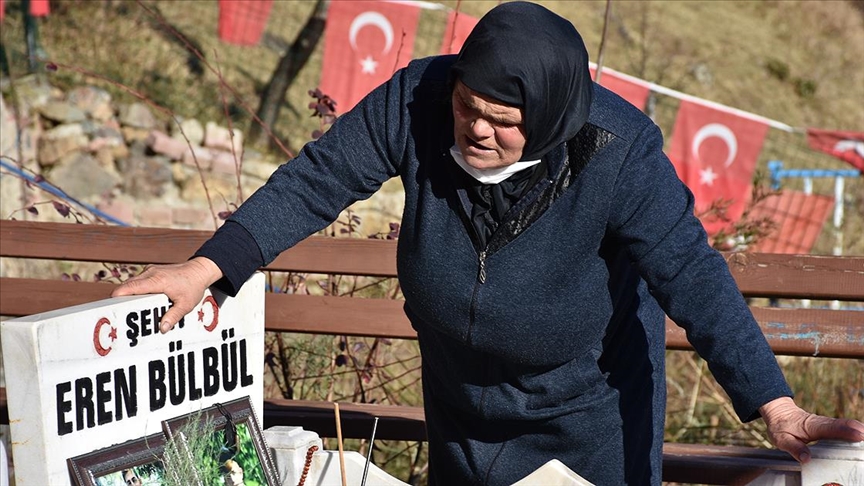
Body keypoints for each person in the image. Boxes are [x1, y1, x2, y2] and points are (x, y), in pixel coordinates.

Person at [114, 2, 864, 484]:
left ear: (552, 118)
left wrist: (775, 405)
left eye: (504, 122)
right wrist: (210, 266)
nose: (477, 129)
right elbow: (318, 180)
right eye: (468, 107)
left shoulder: (618, 152)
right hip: (461, 406)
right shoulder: (418, 98)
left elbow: (690, 274)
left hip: (586, 416)